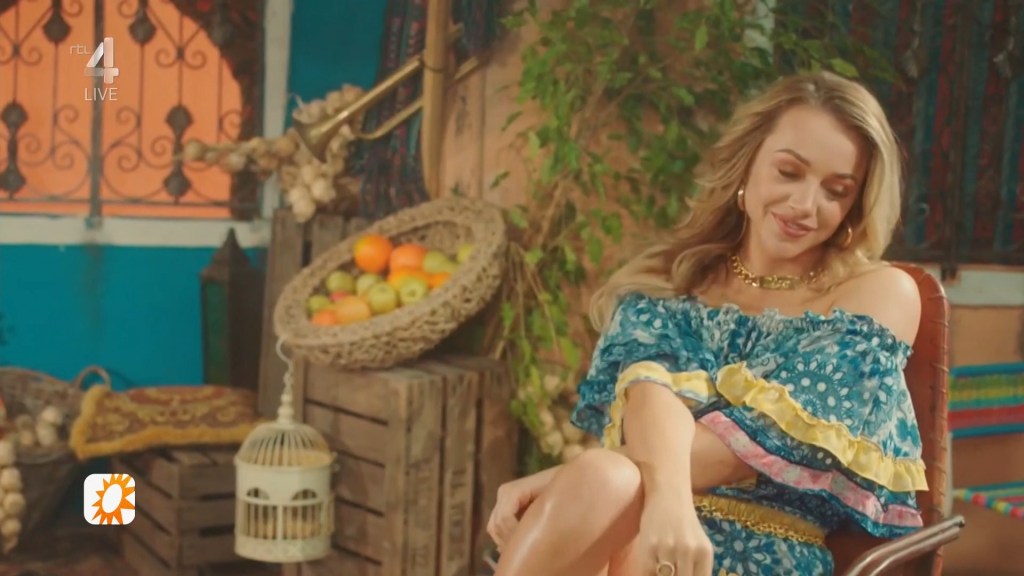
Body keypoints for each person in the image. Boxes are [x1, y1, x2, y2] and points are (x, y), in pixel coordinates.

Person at [486, 71, 928, 576]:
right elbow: (650, 400)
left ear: (855, 204)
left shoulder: (877, 294)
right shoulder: (666, 288)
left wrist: (563, 482)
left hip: (765, 549)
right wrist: (664, 502)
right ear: (748, 164)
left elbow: (745, 450)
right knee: (606, 477)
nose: (805, 206)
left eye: (836, 191)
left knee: (602, 475)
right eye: (789, 172)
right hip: (637, 530)